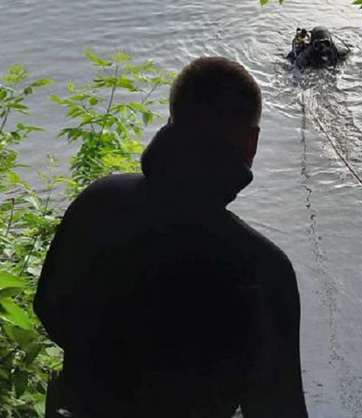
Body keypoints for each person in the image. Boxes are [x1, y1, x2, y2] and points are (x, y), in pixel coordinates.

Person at [34, 57, 309, 418]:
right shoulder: (263, 269)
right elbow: (278, 409)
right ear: (251, 142)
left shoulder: (100, 200)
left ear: (170, 120)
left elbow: (49, 307)